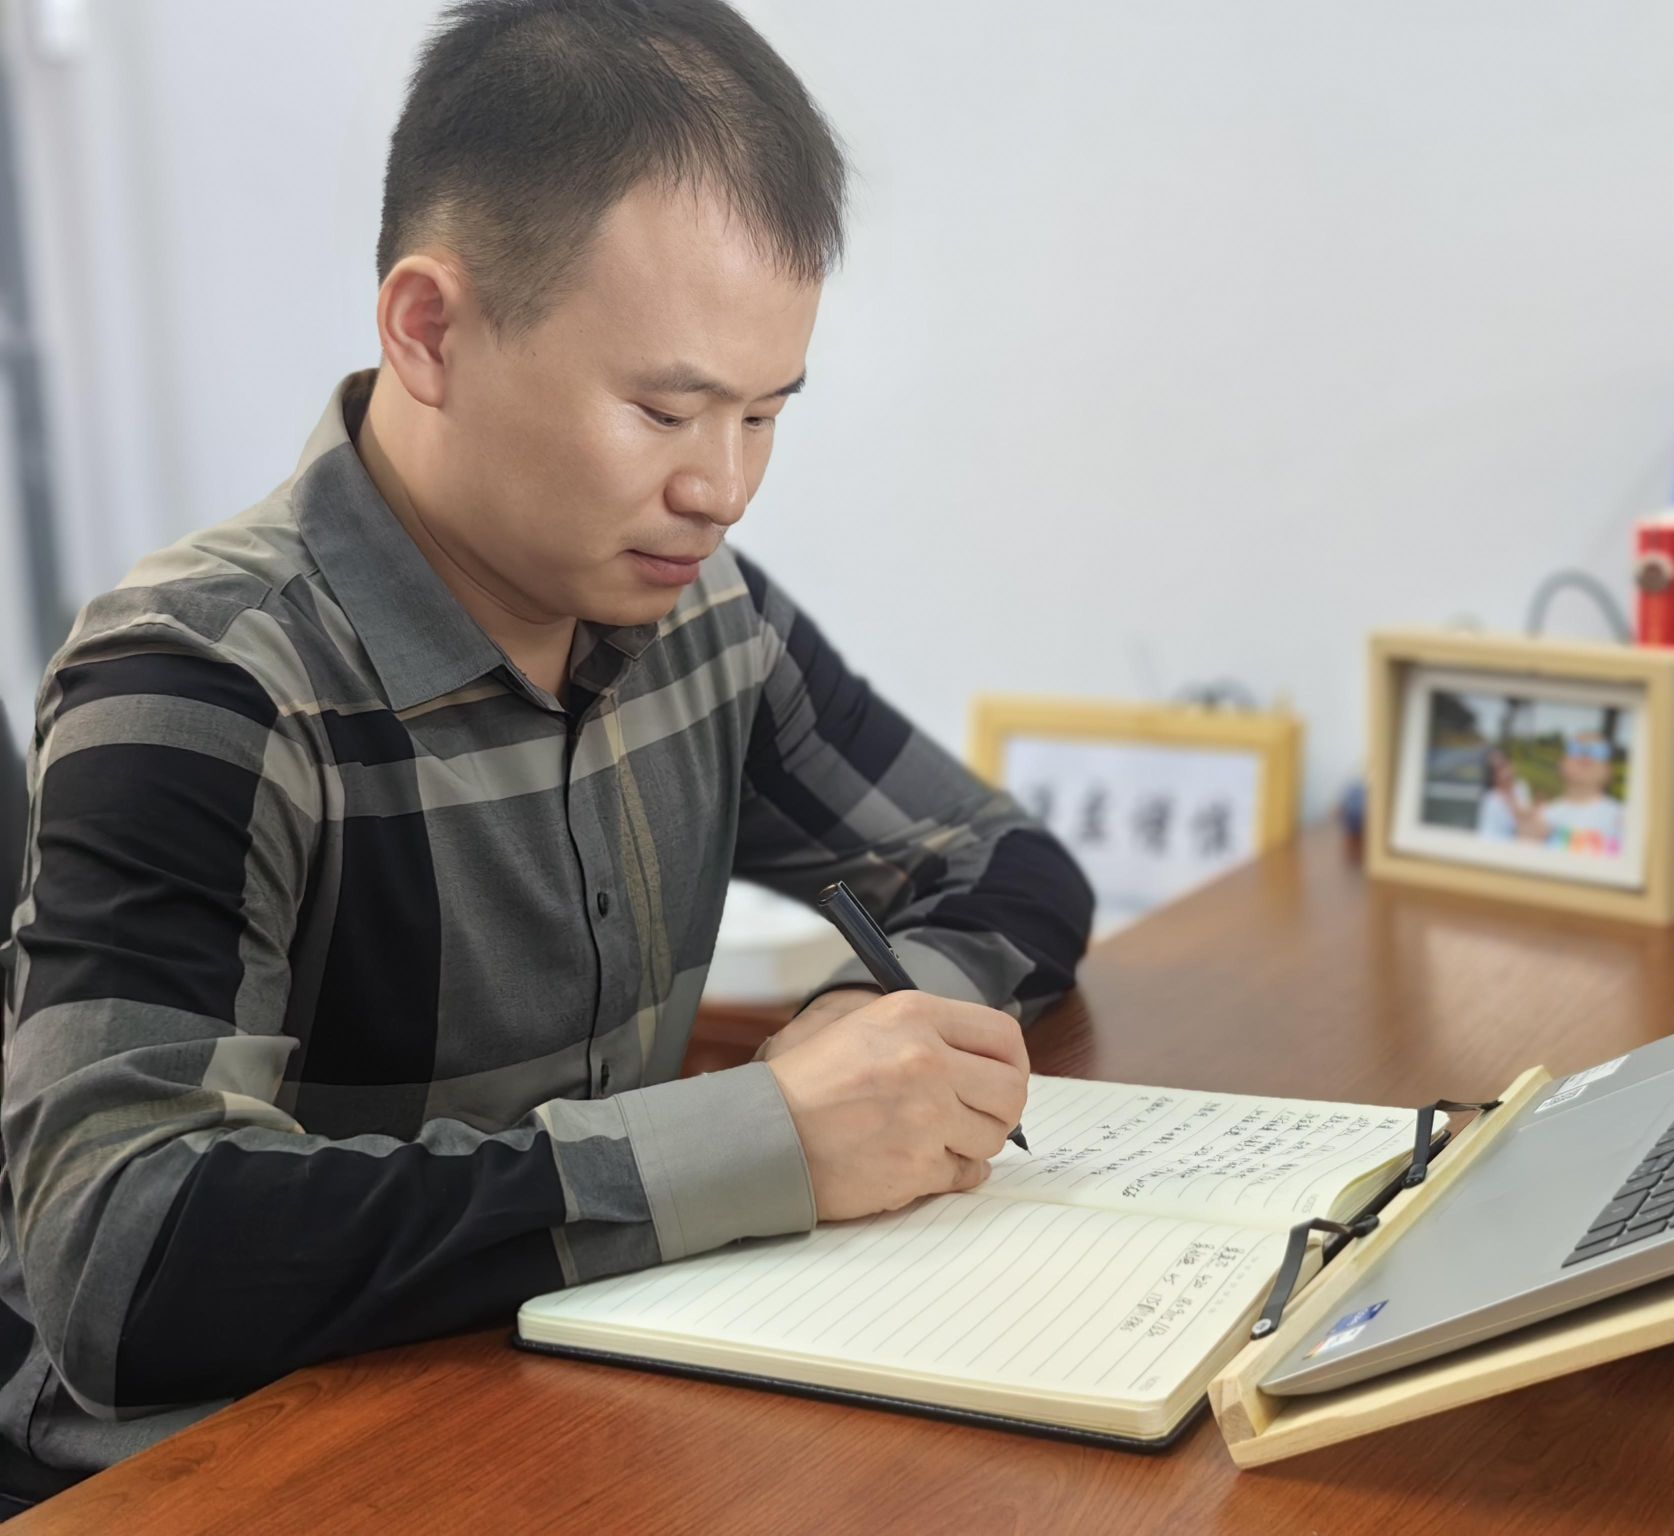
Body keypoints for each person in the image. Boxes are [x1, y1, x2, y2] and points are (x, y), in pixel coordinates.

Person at [0, 0, 1093, 1497]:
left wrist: (868, 1030)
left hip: (565, 1412)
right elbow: (127, 1254)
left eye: (765, 415)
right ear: (429, 331)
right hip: (239, 1477)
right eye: (666, 410)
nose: (723, 489)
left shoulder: (704, 616)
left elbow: (1002, 862)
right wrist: (755, 1138)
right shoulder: (202, 684)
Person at [1524, 730, 1626, 853]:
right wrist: (1530, 840)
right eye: (1577, 750)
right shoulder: (1543, 816)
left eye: (1597, 752)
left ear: (1608, 770)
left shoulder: (1623, 818)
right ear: (1561, 764)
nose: (1586, 757)